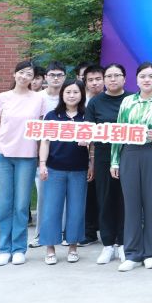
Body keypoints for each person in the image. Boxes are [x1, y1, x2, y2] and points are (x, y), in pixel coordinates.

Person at [111, 62, 152, 272]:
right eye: (142, 76)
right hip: (129, 153)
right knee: (131, 204)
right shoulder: (128, 101)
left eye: (151, 76)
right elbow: (118, 133)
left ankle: (149, 253)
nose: (146, 80)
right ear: (136, 79)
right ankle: (132, 254)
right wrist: (114, 160)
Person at [0, 61, 46, 266]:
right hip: (2, 155)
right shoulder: (3, 97)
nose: (24, 77)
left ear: (33, 79)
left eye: (29, 74)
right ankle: (4, 249)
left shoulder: (38, 99)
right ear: (15, 74)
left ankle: (19, 248)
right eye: (21, 72)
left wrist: (41, 158)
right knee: (3, 205)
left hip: (27, 156)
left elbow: (42, 130)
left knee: (21, 205)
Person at [38, 79, 91, 265]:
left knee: (76, 210)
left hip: (79, 170)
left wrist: (91, 160)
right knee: (51, 209)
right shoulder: (52, 115)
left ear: (81, 95)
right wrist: (42, 164)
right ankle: (50, 248)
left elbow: (93, 144)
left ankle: (73, 247)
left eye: (76, 92)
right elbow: (45, 141)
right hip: (54, 169)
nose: (71, 95)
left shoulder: (87, 116)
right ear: (62, 94)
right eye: (68, 92)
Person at [86, 63, 128, 264]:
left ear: (124, 78)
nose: (112, 79)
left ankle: (123, 243)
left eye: (116, 75)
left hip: (128, 156)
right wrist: (91, 161)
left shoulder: (132, 100)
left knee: (125, 200)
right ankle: (108, 244)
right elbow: (89, 132)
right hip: (103, 157)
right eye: (109, 76)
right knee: (105, 199)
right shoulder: (95, 102)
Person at [30, 62, 67, 248]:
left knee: (66, 198)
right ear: (46, 77)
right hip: (43, 156)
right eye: (52, 75)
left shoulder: (70, 95)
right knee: (43, 197)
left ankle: (64, 233)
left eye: (59, 75)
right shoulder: (37, 98)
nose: (56, 78)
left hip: (66, 156)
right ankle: (41, 234)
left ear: (65, 77)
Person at [81, 64, 105, 246]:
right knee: (88, 195)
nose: (94, 83)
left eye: (98, 79)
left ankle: (109, 233)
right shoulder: (80, 100)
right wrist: (90, 161)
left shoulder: (114, 100)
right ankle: (89, 232)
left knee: (106, 195)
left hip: (107, 155)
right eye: (90, 80)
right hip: (83, 155)